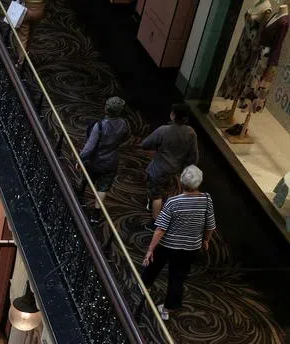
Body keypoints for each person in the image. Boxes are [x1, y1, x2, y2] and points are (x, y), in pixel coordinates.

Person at [142, 165, 215, 321]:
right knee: (178, 276)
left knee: (154, 265)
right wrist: (206, 240)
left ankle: (145, 287)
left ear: (181, 182)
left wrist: (150, 250)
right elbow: (210, 225)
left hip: (168, 245)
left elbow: (160, 229)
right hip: (190, 247)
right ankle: (166, 309)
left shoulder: (173, 202)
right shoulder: (206, 200)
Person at [141, 103, 199, 220]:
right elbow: (194, 156)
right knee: (165, 189)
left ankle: (155, 222)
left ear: (172, 115)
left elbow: (145, 144)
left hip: (159, 169)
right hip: (175, 170)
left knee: (157, 195)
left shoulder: (163, 130)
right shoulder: (191, 133)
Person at [79, 96, 130, 225]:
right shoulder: (124, 124)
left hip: (95, 159)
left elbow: (89, 147)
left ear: (106, 109)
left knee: (87, 174)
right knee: (103, 188)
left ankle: (80, 192)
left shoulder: (100, 126)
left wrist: (80, 159)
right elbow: (127, 137)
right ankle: (96, 214)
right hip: (111, 160)